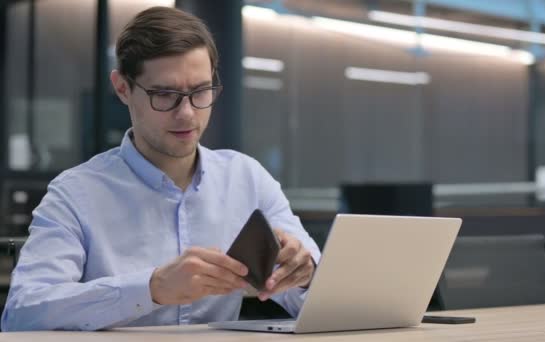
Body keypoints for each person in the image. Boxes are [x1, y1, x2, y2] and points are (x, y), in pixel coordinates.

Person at [1, 6, 320, 331]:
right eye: (165, 95)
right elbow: (22, 313)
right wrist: (152, 288)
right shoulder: (75, 193)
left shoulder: (246, 178)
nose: (187, 114)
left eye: (200, 91)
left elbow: (317, 300)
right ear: (123, 88)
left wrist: (304, 275)